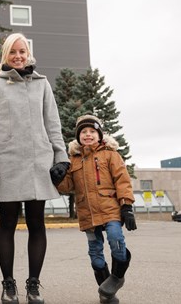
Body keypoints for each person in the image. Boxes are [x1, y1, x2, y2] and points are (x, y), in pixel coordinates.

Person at [0, 32, 70, 304]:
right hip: (7, 162)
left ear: (28, 54)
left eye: (22, 51)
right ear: (5, 55)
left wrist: (61, 158)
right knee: (7, 224)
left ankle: (33, 285)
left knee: (36, 224)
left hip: (39, 163)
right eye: (13, 52)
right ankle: (8, 285)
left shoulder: (42, 84)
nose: (18, 56)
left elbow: (53, 124)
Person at [56, 115, 137, 304]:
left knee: (116, 240)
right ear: (78, 136)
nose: (88, 135)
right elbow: (67, 186)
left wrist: (126, 205)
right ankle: (106, 294)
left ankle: (117, 277)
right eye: (83, 132)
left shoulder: (110, 154)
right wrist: (57, 177)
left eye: (92, 131)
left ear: (100, 135)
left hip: (110, 209)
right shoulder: (73, 160)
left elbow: (122, 180)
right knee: (95, 254)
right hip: (87, 213)